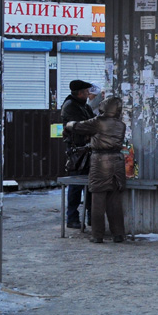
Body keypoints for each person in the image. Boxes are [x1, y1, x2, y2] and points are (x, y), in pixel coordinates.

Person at [64, 97, 127, 243]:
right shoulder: (121, 125)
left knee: (98, 199)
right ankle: (118, 234)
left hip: (100, 161)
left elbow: (78, 126)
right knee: (115, 200)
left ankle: (97, 235)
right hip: (117, 162)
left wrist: (69, 124)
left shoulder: (98, 122)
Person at [60, 79, 97, 229]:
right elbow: (86, 126)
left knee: (90, 186)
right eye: (87, 92)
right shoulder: (71, 107)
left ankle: (90, 216)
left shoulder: (83, 106)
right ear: (80, 93)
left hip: (86, 150)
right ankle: (72, 218)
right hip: (77, 151)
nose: (89, 94)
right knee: (76, 185)